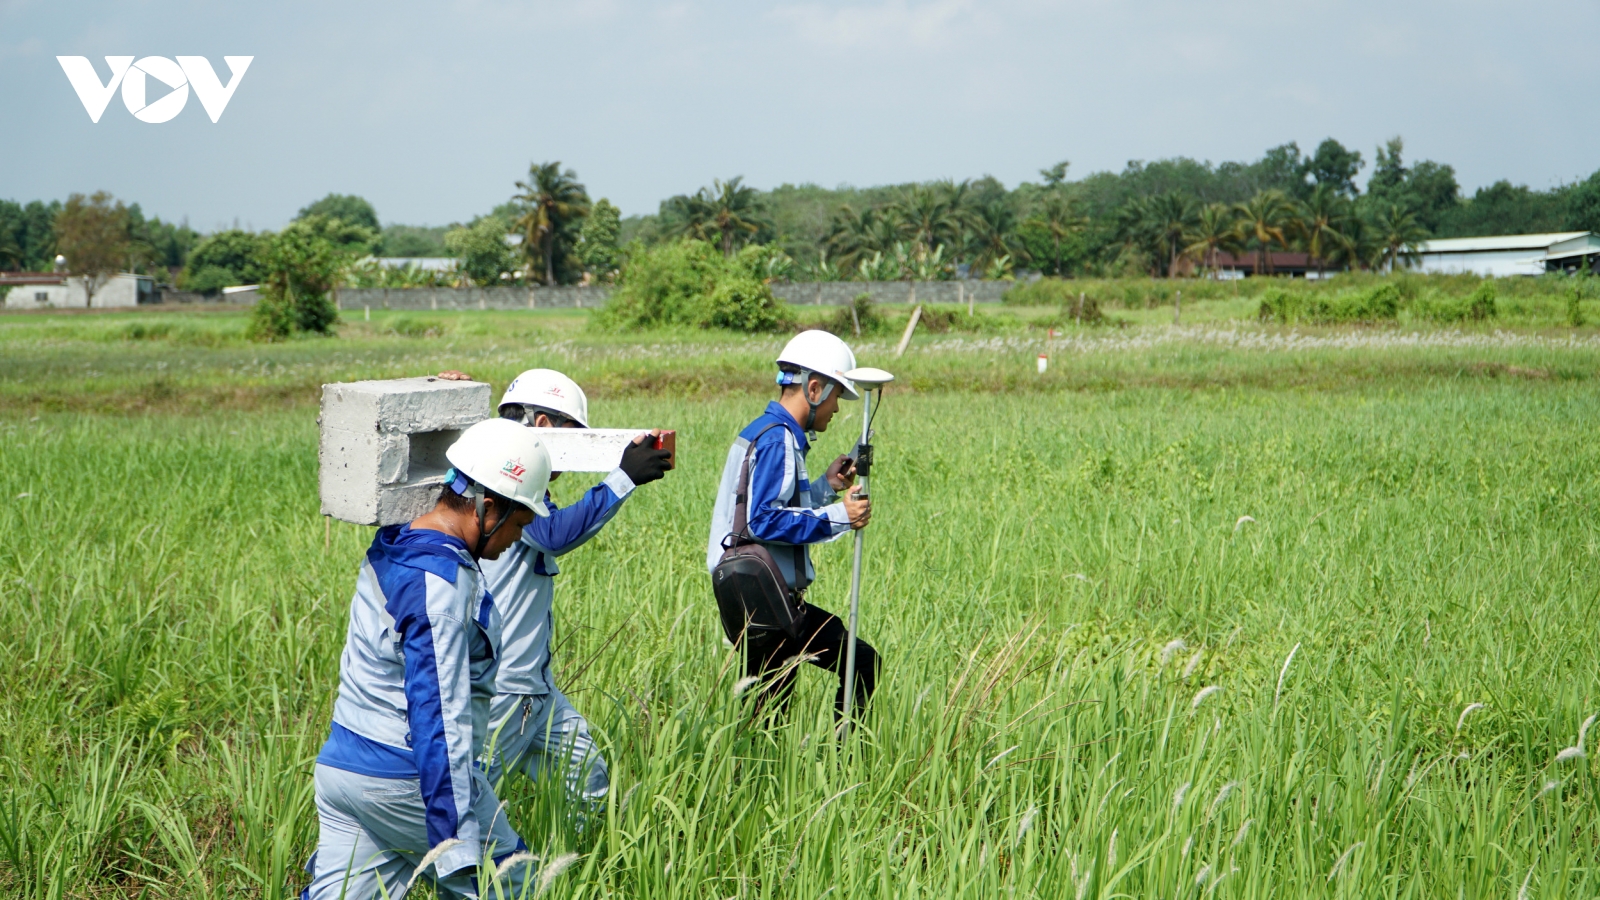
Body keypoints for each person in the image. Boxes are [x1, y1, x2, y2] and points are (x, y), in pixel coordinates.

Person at [303, 418, 552, 900]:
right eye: (519, 525)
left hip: (343, 771)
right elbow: (439, 717)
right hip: (402, 778)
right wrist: (455, 839)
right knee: (515, 885)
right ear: (488, 506)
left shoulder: (399, 540)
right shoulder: (441, 586)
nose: (517, 539)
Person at [476, 369, 672, 805]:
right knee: (464, 804)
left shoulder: (527, 485)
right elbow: (552, 536)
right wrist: (623, 478)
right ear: (542, 427)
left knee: (590, 783)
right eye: (573, 438)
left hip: (536, 687)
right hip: (503, 691)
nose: (575, 455)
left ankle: (588, 869)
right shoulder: (503, 480)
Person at [706, 330, 876, 718]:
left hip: (758, 600)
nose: (836, 408)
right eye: (836, 397)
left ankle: (780, 775)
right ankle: (846, 762)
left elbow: (764, 511)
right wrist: (842, 517)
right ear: (814, 389)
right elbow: (764, 520)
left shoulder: (764, 432)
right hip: (767, 603)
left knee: (768, 718)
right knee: (861, 663)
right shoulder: (777, 439)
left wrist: (827, 487)